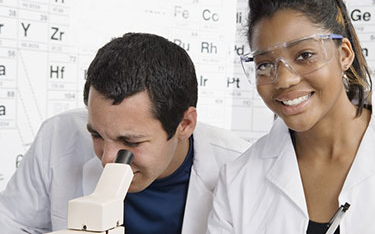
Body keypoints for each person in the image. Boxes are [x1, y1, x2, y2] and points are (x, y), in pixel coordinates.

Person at [206, 0, 375, 233]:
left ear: (344, 55)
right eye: (265, 65)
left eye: (304, 55)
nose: (283, 80)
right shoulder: (238, 180)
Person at [0, 33, 250, 234]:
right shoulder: (57, 136)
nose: (108, 159)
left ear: (184, 124)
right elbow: (11, 223)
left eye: (130, 141)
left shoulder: (241, 169)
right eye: (97, 135)